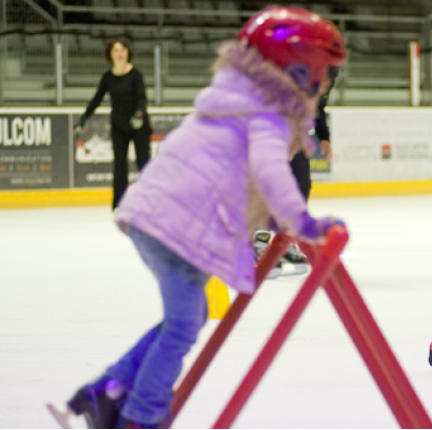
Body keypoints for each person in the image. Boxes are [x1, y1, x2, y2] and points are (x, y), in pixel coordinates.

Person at [52, 7, 346, 429]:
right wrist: (303, 224)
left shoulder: (238, 101)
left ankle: (107, 390)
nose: (322, 86)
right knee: (183, 326)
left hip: (162, 220)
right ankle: (143, 413)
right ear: (295, 70)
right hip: (168, 226)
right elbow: (270, 175)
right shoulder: (264, 112)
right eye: (320, 74)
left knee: (186, 318)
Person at [253, 67, 338, 278]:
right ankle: (259, 243)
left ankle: (284, 241)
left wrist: (323, 136)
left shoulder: (327, 73)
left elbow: (317, 108)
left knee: (301, 187)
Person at [77, 37, 152, 210]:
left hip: (139, 126)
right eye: (116, 50)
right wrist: (83, 119)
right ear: (110, 55)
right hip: (119, 126)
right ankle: (120, 202)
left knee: (143, 163)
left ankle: (151, 200)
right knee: (119, 164)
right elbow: (96, 99)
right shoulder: (108, 77)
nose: (120, 53)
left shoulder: (135, 74)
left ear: (128, 53)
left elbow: (142, 98)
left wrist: (139, 115)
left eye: (123, 50)